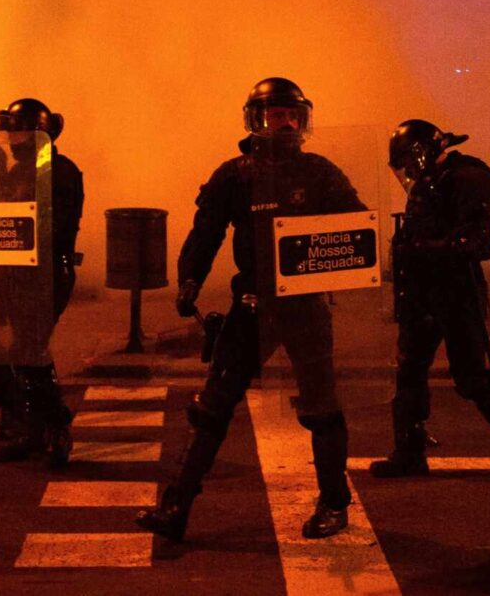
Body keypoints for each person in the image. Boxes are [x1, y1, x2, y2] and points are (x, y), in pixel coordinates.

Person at [136, 78, 365, 541]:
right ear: (255, 119)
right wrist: (189, 280)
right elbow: (206, 233)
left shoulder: (320, 171)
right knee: (212, 405)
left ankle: (334, 505)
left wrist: (362, 258)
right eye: (274, 114)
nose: (284, 122)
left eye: (291, 114)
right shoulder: (235, 174)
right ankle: (176, 506)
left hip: (305, 305)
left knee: (321, 408)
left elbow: (356, 227)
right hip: (252, 304)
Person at [369, 120, 490, 478]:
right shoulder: (428, 183)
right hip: (419, 291)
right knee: (409, 370)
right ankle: (409, 452)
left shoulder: (470, 178)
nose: (407, 172)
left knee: (471, 377)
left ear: (423, 153)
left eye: (409, 163)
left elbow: (477, 243)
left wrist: (422, 249)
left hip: (457, 291)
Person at [0, 98, 84, 466]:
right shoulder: (17, 172)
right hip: (15, 271)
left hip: (46, 273)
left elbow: (54, 228)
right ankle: (35, 430)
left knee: (30, 349)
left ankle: (56, 427)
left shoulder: (60, 171)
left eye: (15, 130)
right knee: (21, 353)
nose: (9, 137)